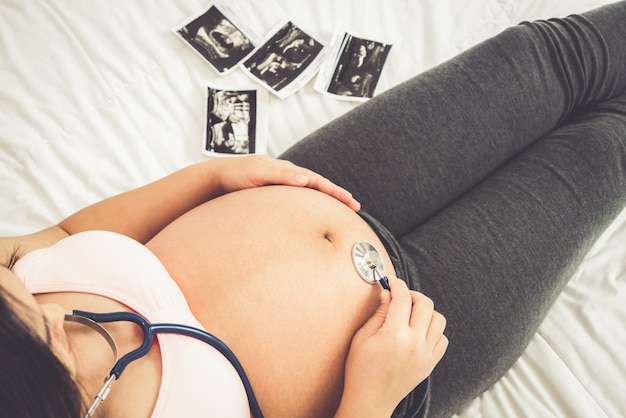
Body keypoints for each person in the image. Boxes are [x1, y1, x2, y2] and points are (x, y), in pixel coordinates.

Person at [2, 2, 626, 418]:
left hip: (329, 184)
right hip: (420, 323)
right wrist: (372, 395)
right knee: (605, 151)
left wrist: (210, 176)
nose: (48, 308)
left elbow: (63, 232)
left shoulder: (10, 280)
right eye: (46, 337)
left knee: (543, 57)